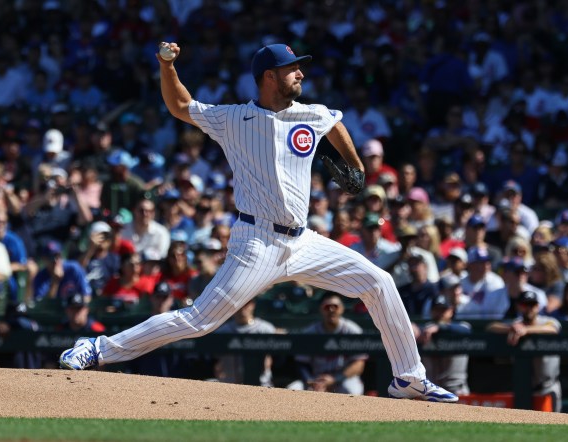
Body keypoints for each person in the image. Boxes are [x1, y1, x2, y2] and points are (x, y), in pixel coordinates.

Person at [58, 42, 457, 402]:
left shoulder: (311, 114)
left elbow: (334, 123)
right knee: (199, 320)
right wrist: (167, 65)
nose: (300, 72)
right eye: (292, 68)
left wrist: (353, 164)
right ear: (269, 76)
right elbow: (180, 106)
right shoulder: (233, 119)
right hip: (257, 241)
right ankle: (98, 349)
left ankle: (408, 377)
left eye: (300, 66)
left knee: (379, 282)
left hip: (303, 241)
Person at [486, 290, 563, 412]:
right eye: (525, 305)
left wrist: (527, 330)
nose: (529, 308)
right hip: (524, 390)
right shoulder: (516, 324)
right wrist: (510, 328)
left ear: (537, 306)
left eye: (532, 305)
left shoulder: (546, 321)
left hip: (548, 387)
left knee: (553, 426)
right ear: (519, 306)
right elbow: (491, 327)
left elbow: (553, 329)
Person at [290, 293, 368, 395]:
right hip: (316, 379)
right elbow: (301, 362)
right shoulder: (310, 332)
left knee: (351, 391)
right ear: (321, 309)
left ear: (342, 309)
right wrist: (309, 380)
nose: (331, 310)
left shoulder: (352, 330)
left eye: (335, 306)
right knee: (292, 388)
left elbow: (359, 364)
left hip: (344, 379)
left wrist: (336, 379)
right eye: (327, 307)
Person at [213, 298, 277, 387]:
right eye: (238, 304)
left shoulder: (265, 328)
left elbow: (272, 358)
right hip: (229, 384)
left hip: (262, 384)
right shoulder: (223, 331)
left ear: (252, 305)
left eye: (245, 304)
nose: (242, 308)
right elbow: (215, 360)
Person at [417, 294, 472, 396]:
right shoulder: (425, 330)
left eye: (443, 310)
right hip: (431, 389)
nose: (440, 313)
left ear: (451, 311)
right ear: (431, 311)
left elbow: (467, 330)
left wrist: (440, 327)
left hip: (456, 389)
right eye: (437, 310)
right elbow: (416, 330)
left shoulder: (461, 326)